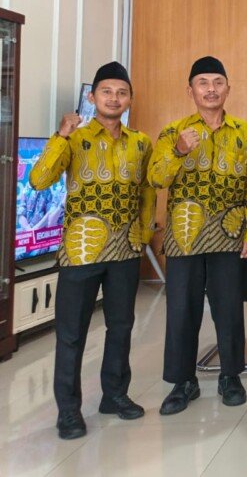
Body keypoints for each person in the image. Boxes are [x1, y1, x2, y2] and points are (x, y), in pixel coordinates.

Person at [29, 62, 155, 440]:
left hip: (125, 250)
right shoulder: (74, 137)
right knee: (72, 334)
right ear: (92, 96)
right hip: (80, 253)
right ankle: (69, 411)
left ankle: (114, 395)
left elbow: (147, 192)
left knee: (121, 327)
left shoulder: (141, 142)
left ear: (130, 99)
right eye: (106, 92)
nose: (114, 98)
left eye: (121, 92)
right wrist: (60, 136)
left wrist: (143, 235)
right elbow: (39, 179)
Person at [148, 56, 247, 415]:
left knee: (229, 310)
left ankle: (230, 376)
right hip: (184, 237)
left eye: (218, 82)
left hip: (229, 236)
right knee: (181, 311)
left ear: (228, 88)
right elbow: (156, 178)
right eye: (203, 83)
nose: (211, 89)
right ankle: (183, 382)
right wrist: (179, 151)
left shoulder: (246, 133)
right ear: (190, 91)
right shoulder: (173, 132)